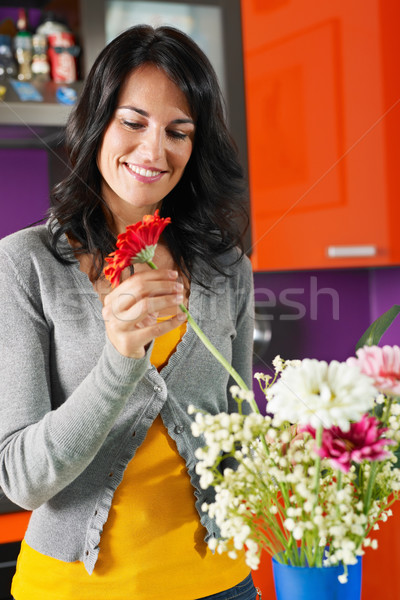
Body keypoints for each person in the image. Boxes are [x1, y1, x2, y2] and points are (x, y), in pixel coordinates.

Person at [0, 25, 257, 600]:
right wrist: (119, 358)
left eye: (178, 131)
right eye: (133, 122)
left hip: (221, 583)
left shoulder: (226, 267)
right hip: (74, 589)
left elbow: (242, 429)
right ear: (97, 122)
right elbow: (21, 479)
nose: (153, 150)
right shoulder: (26, 264)